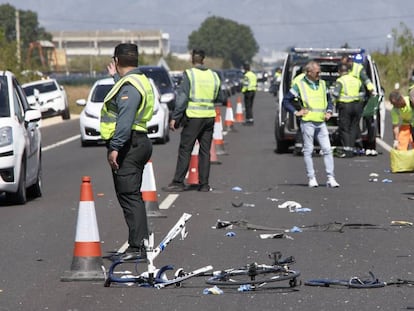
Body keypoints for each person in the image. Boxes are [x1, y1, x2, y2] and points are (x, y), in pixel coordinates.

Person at [100, 43, 154, 260]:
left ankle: (137, 246)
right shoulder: (137, 80)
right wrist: (115, 77)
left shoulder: (131, 85)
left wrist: (115, 147)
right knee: (131, 195)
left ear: (117, 60)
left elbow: (125, 118)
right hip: (138, 141)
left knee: (130, 196)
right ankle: (139, 242)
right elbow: (125, 97)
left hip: (129, 144)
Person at [162, 49, 221, 192]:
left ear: (192, 59)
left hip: (194, 117)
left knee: (185, 149)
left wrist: (175, 117)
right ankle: (204, 184)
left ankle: (178, 182)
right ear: (203, 59)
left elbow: (182, 98)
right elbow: (219, 96)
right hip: (209, 117)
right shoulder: (214, 75)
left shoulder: (190, 74)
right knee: (205, 151)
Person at [282, 60, 340, 188]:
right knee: (308, 150)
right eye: (317, 72)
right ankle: (311, 178)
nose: (319, 74)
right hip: (308, 122)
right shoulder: (300, 86)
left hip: (321, 122)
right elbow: (286, 101)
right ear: (309, 72)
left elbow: (329, 100)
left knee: (327, 149)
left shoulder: (323, 84)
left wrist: (329, 111)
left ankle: (331, 178)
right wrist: (296, 112)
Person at [341, 54, 377, 155]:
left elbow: (366, 80)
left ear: (349, 61)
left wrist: (372, 90)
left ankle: (357, 144)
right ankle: (355, 144)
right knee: (353, 124)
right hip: (351, 100)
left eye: (345, 64)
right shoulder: (346, 70)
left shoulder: (358, 68)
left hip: (358, 100)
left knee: (355, 123)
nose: (344, 66)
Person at [331, 64, 364, 158]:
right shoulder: (356, 80)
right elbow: (362, 93)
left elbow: (336, 94)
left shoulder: (340, 80)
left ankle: (347, 149)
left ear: (339, 72)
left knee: (344, 128)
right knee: (354, 127)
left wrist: (332, 102)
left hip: (345, 106)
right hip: (357, 106)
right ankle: (352, 148)